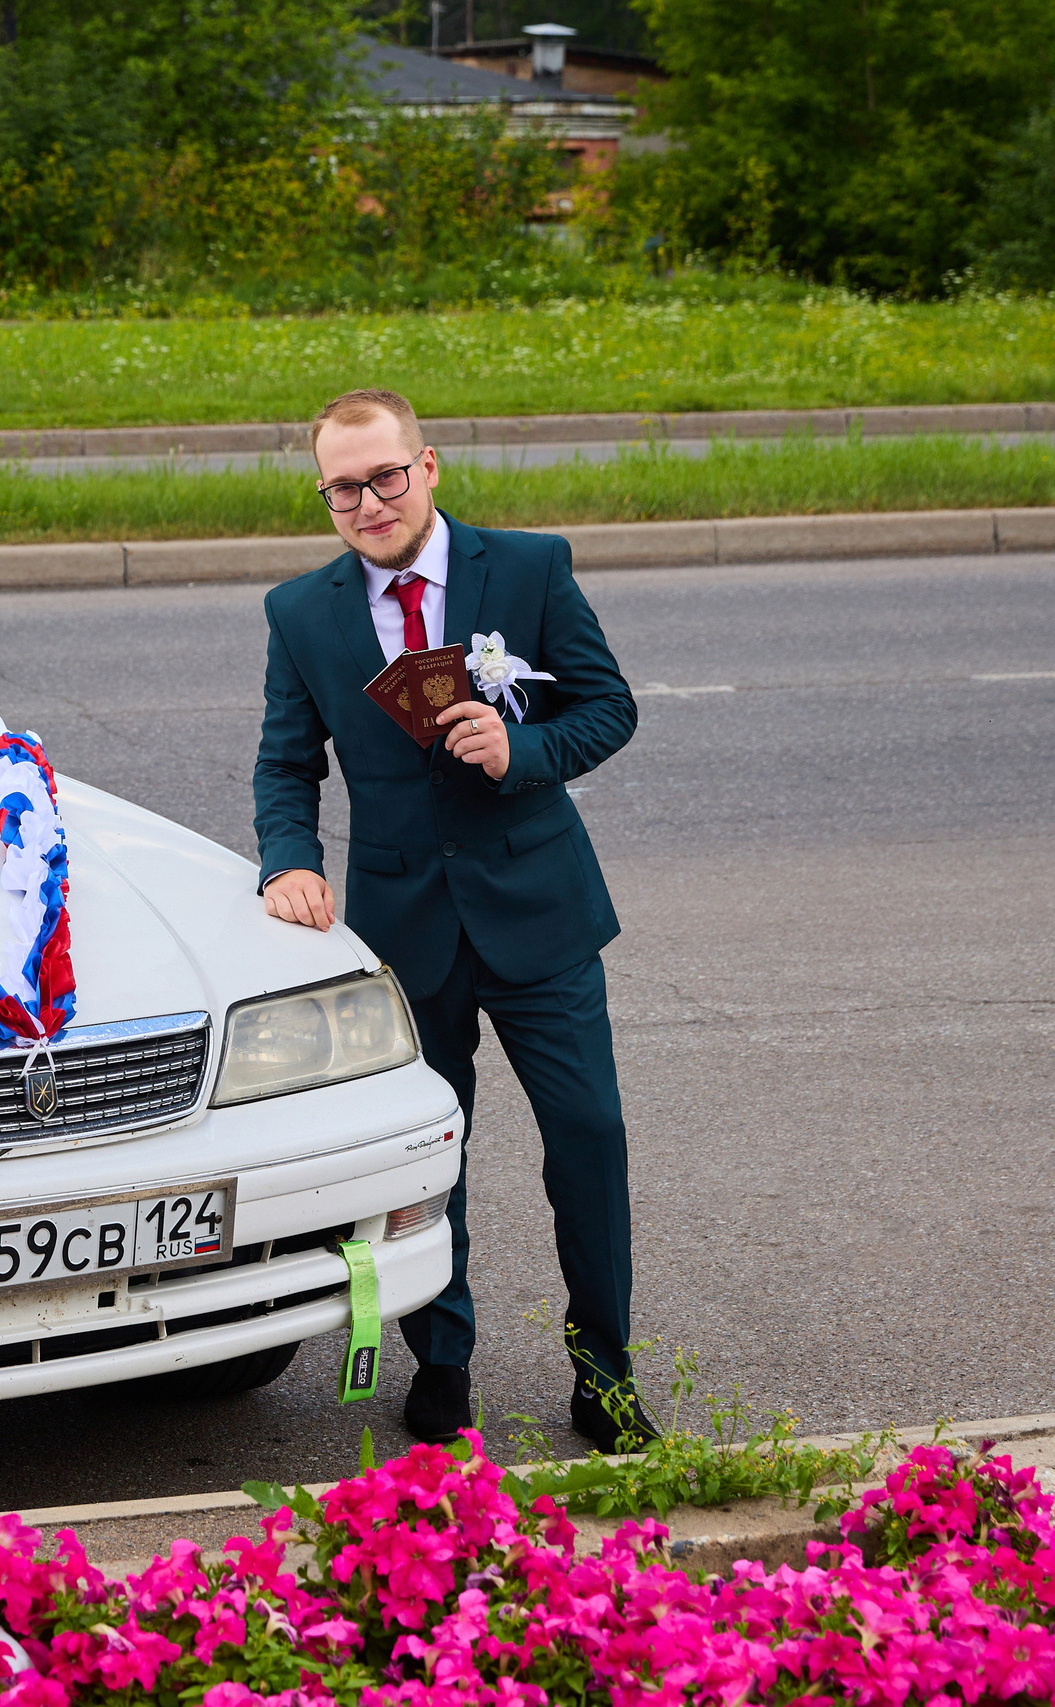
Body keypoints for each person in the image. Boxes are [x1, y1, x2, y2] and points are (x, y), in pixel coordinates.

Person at [251, 387, 654, 1451]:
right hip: (405, 924)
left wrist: (525, 751)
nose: (370, 502)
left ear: (426, 467)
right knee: (433, 1152)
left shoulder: (526, 568)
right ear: (324, 495)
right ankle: (443, 1361)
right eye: (344, 488)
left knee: (589, 1139)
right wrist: (288, 862)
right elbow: (285, 764)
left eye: (386, 476)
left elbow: (607, 707)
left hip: (539, 910)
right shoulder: (300, 612)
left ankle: (604, 1371)